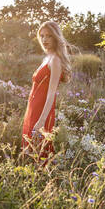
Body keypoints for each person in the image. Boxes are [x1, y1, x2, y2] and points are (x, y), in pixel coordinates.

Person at [22, 21, 71, 162]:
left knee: (40, 153)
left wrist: (42, 120)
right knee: (30, 152)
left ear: (56, 37)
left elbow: (51, 93)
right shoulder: (47, 57)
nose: (44, 40)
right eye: (42, 36)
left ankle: (44, 182)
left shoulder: (55, 60)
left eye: (49, 36)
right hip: (32, 108)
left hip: (42, 112)